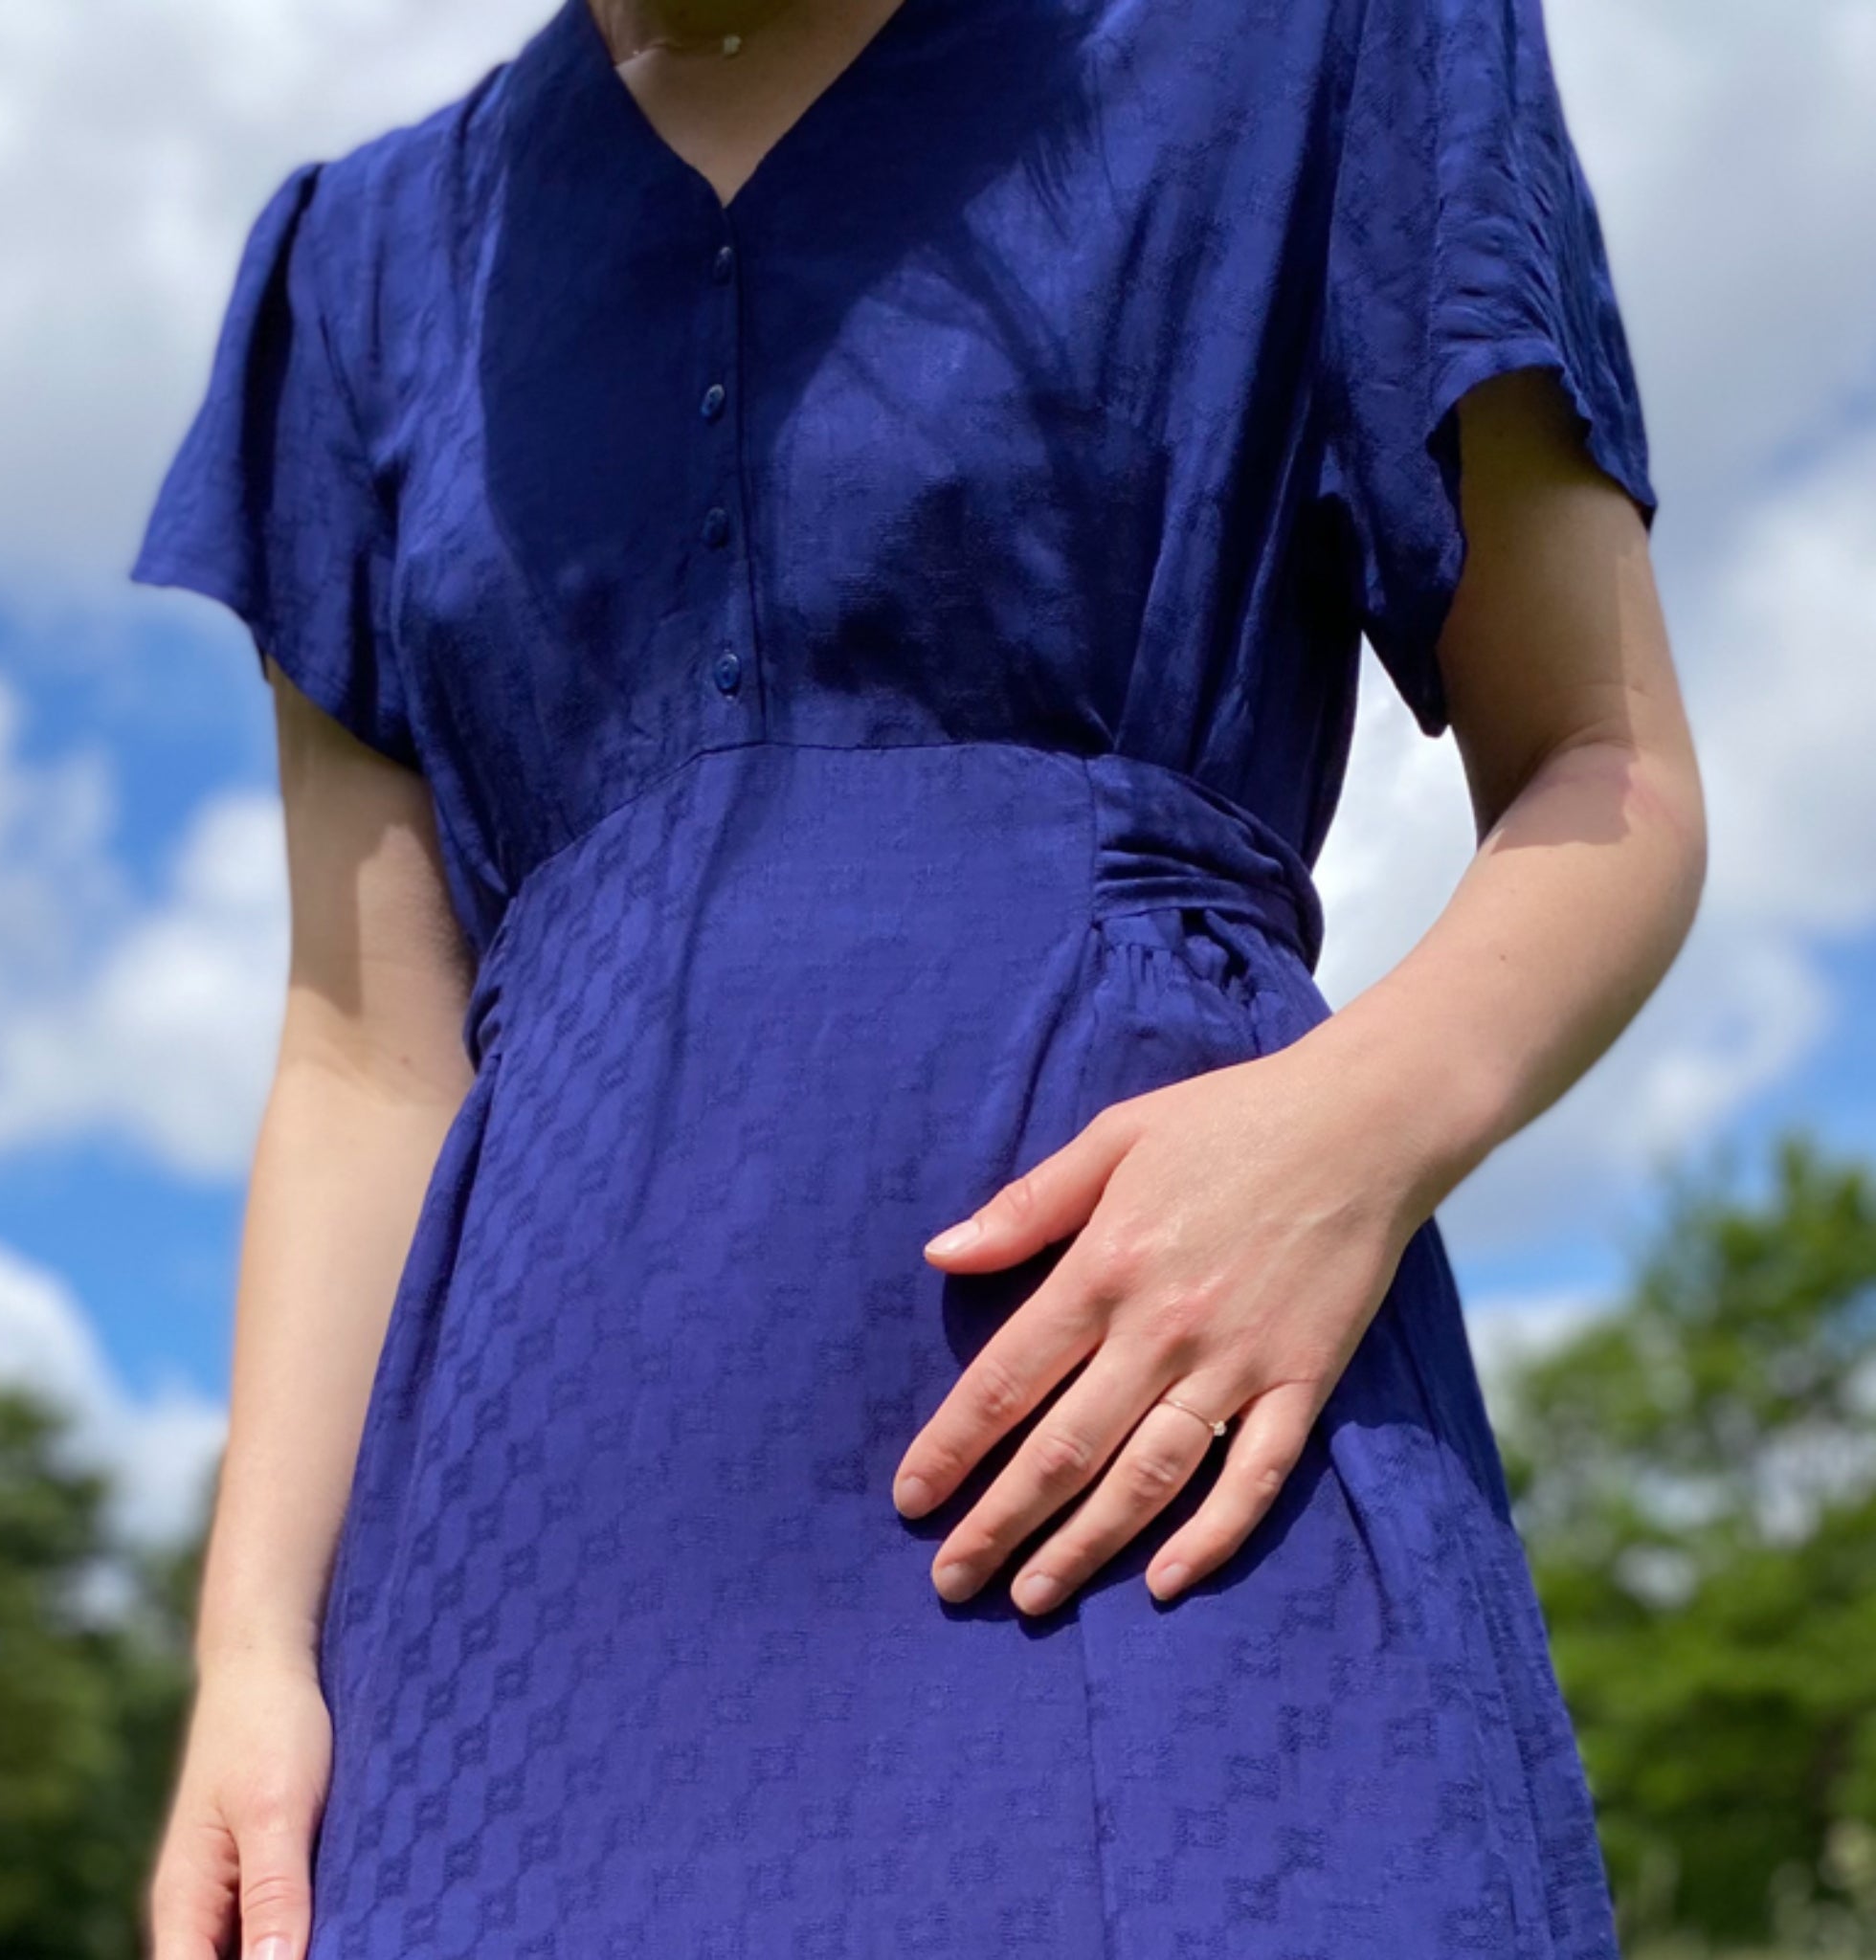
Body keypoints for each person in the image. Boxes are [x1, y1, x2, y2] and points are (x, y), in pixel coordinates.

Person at [130, 0, 1705, 1953]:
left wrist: (1348, 1139)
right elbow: (366, 1053)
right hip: (520, 1612)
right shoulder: (355, 274)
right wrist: (256, 1651)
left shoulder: (1314, 44)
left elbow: (1605, 766)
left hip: (1150, 1463)